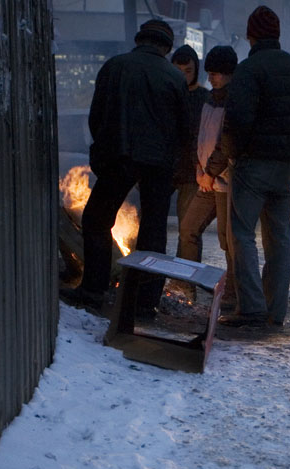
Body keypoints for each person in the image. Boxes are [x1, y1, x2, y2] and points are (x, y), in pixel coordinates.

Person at [61, 19, 187, 317]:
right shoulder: (174, 77)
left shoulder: (115, 66)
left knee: (96, 221)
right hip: (157, 163)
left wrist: (102, 153)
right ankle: (145, 301)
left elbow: (97, 116)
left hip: (119, 156)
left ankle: (93, 290)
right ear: (166, 47)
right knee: (154, 232)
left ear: (140, 40)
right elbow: (183, 129)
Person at [219, 5, 290, 329]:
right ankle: (275, 311)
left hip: (251, 165)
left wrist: (233, 156)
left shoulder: (249, 70)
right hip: (283, 167)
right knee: (280, 238)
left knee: (242, 233)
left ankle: (251, 309)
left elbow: (237, 120)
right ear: (277, 34)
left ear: (251, 35)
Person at [176, 45, 238, 308]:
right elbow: (197, 138)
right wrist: (199, 170)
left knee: (229, 240)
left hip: (223, 182)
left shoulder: (233, 102)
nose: (212, 78)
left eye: (218, 74)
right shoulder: (209, 100)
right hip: (207, 179)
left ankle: (233, 293)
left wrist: (210, 172)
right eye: (210, 73)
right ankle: (184, 287)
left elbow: (227, 143)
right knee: (188, 229)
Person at [171, 44, 211, 261]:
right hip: (168, 166)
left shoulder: (204, 97)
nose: (184, 76)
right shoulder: (167, 94)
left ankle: (183, 282)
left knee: (188, 229)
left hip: (191, 170)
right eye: (179, 71)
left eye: (188, 71)